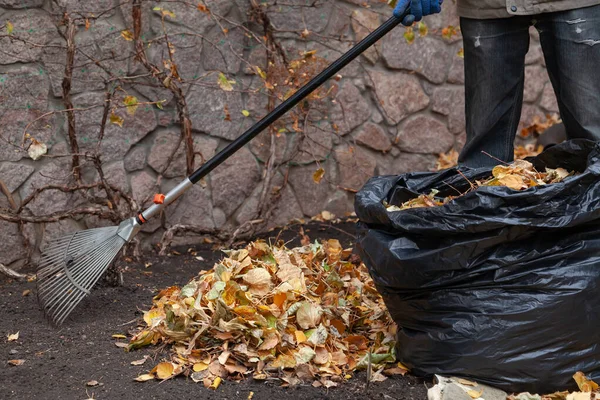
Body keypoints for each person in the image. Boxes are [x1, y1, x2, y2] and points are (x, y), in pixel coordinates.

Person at [393, 0, 600, 168]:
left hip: (575, 2)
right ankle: (484, 217)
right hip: (486, 6)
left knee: (594, 138)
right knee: (484, 157)